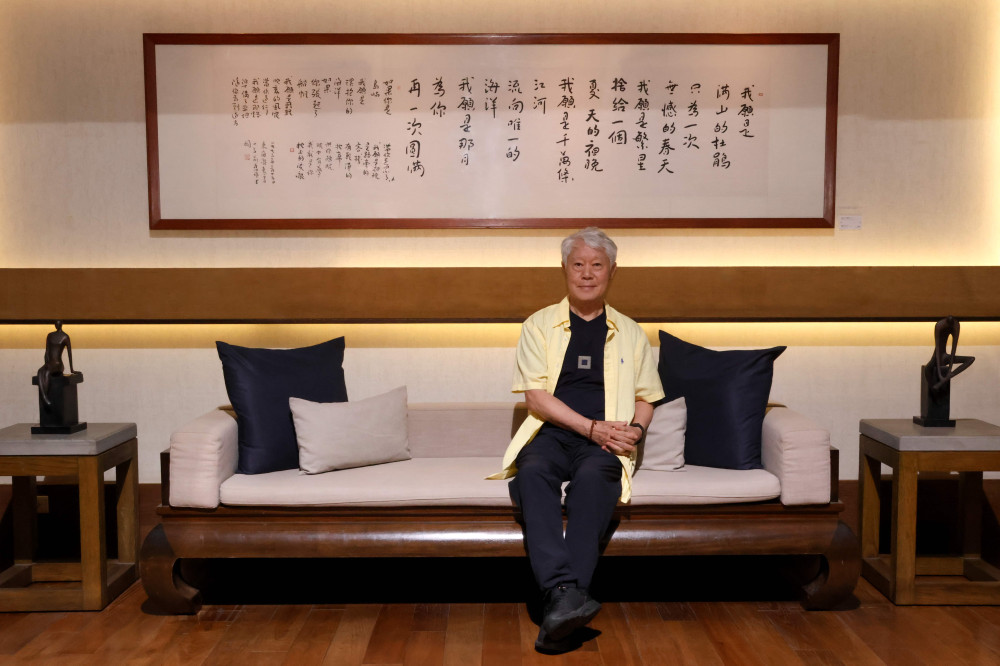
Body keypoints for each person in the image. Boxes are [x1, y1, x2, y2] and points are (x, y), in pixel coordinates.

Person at [488, 227, 664, 652]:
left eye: (597, 265)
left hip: (604, 443)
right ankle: (566, 597)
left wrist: (636, 431)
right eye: (578, 264)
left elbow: (647, 397)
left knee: (594, 480)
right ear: (565, 269)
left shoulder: (630, 331)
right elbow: (536, 397)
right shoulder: (539, 325)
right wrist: (589, 426)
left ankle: (559, 603)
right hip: (551, 434)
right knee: (531, 474)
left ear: (612, 271)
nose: (587, 274)